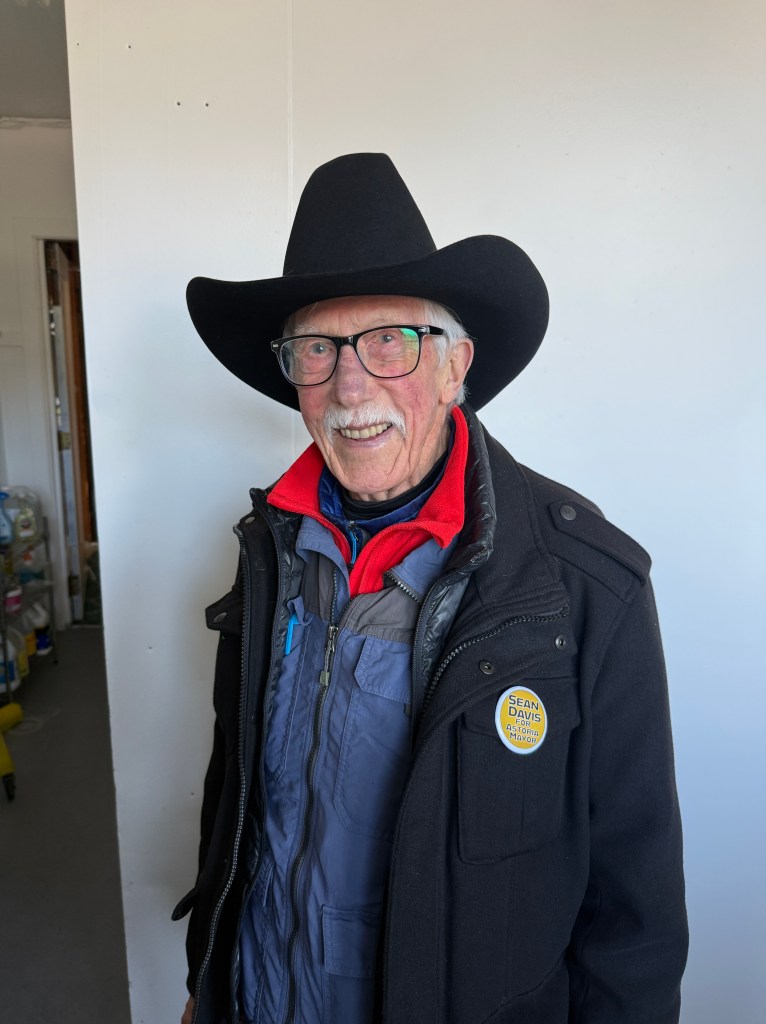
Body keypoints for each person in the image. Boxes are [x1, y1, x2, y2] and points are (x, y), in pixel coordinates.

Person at [175, 153, 687, 1024]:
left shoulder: (583, 587)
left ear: (456, 368)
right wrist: (207, 984)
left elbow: (634, 911)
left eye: (389, 342)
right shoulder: (269, 548)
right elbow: (237, 798)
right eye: (318, 348)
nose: (350, 383)